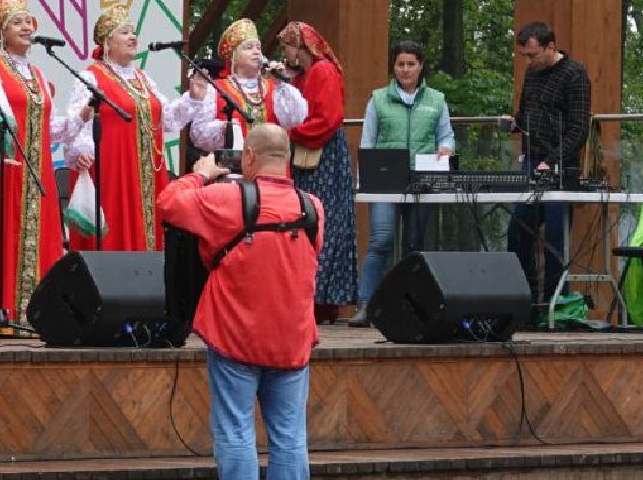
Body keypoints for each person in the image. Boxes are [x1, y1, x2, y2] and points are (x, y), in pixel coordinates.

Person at [158, 123, 324, 480]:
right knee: (290, 436)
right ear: (286, 157)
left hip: (235, 336)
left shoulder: (227, 199)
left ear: (247, 157)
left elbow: (169, 204)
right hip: (291, 340)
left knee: (235, 431)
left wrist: (202, 172)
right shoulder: (313, 207)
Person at [0, 0, 84, 324]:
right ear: (0, 33)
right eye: (16, 22)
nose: (26, 27)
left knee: (39, 239)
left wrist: (82, 115)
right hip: (2, 170)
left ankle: (34, 312)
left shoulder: (37, 73)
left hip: (38, 172)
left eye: (28, 22)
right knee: (0, 238)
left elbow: (52, 129)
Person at [63, 3, 194, 251]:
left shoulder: (143, 79)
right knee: (115, 230)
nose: (133, 37)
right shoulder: (92, 77)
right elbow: (78, 121)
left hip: (146, 171)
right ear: (107, 41)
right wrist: (81, 150)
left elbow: (168, 119)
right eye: (124, 32)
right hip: (112, 169)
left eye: (134, 32)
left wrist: (193, 97)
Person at [354, 39, 454, 323]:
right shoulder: (378, 99)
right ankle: (366, 304)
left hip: (423, 179)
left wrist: (447, 148)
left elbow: (447, 136)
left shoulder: (437, 99)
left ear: (421, 67)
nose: (406, 70)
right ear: (393, 67)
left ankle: (411, 307)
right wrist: (365, 181)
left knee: (414, 244)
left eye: (411, 64)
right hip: (385, 181)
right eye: (400, 64)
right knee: (381, 240)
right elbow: (368, 141)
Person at [504, 21, 592, 302]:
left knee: (556, 239)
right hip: (531, 160)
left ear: (550, 47)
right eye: (525, 56)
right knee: (519, 230)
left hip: (560, 167)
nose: (528, 61)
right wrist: (514, 123)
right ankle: (523, 299)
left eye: (532, 55)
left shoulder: (574, 74)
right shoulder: (532, 73)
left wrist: (553, 161)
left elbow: (579, 128)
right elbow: (525, 113)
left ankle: (557, 303)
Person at [276, 21, 356, 324]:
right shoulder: (306, 74)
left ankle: (322, 299)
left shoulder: (322, 71)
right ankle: (316, 298)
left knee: (324, 222)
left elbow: (327, 119)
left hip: (323, 156)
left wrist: (289, 133)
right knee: (317, 221)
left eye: (287, 47)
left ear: (300, 47)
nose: (285, 53)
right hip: (312, 151)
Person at [183, 17, 308, 153]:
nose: (256, 52)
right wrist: (223, 128)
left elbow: (296, 120)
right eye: (248, 48)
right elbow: (198, 135)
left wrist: (282, 84)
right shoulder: (217, 89)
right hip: (232, 169)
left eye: (258, 48)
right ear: (234, 57)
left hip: (272, 166)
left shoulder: (276, 88)